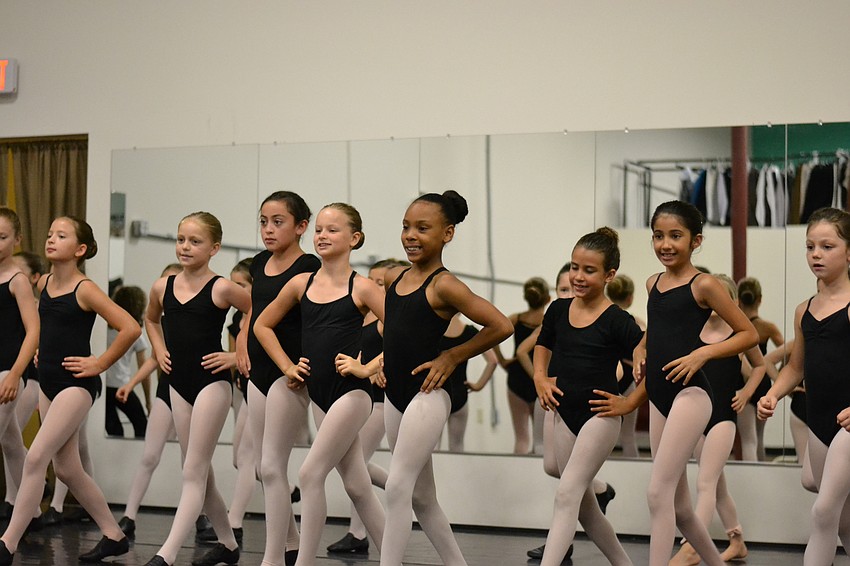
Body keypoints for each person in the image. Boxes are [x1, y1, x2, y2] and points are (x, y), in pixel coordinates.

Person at [592, 200, 757, 566]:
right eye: (658, 236)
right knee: (681, 507)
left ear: (696, 241)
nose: (665, 244)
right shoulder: (653, 283)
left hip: (692, 394)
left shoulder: (705, 285)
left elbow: (748, 334)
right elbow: (659, 334)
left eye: (675, 236)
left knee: (657, 492)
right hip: (659, 395)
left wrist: (703, 354)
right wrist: (639, 348)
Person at [379, 190, 513, 566]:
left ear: (447, 234)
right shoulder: (394, 279)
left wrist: (453, 356)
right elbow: (396, 334)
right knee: (422, 498)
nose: (410, 235)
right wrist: (377, 363)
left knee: (397, 485)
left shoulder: (444, 285)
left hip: (428, 394)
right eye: (406, 227)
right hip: (396, 394)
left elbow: (500, 325)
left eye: (423, 228)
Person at [0, 215, 141, 565]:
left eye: (61, 236)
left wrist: (100, 363)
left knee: (35, 458)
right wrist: (38, 349)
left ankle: (7, 544)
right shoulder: (45, 281)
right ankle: (114, 534)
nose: (50, 240)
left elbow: (129, 327)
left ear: (79, 249)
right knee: (67, 469)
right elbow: (43, 326)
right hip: (48, 382)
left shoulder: (85, 289)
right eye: (49, 234)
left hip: (75, 386)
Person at [255, 202, 388, 566]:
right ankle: (395, 559)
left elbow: (403, 334)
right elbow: (261, 326)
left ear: (354, 238)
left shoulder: (361, 287)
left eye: (332, 230)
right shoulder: (301, 283)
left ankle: (303, 562)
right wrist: (287, 366)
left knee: (309, 473)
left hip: (352, 394)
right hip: (318, 392)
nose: (322, 236)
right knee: (358, 486)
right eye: (319, 230)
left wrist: (368, 368)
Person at [142, 212, 250, 566]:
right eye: (181, 239)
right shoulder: (163, 286)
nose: (185, 247)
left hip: (211, 384)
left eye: (195, 241)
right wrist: (158, 349)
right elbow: (150, 319)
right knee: (202, 473)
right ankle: (228, 544)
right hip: (178, 383)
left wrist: (237, 354)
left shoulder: (220, 287)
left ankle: (166, 554)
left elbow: (257, 311)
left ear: (214, 248)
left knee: (192, 470)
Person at [534, 227, 643, 566]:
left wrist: (630, 402)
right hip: (565, 412)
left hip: (601, 415)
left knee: (567, 493)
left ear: (610, 275)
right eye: (574, 267)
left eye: (589, 270)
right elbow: (542, 345)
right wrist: (540, 377)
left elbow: (653, 361)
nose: (578, 277)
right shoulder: (557, 309)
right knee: (585, 508)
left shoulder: (618, 321)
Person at [757, 207, 850, 566]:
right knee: (843, 523)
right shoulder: (804, 310)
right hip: (819, 420)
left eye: (827, 246)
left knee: (823, 511)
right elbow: (796, 368)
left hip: (847, 422)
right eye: (810, 246)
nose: (816, 254)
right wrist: (772, 393)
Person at [235, 191, 320, 566]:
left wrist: (293, 366)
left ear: (302, 226)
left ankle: (271, 558)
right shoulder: (257, 262)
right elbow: (254, 311)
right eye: (263, 221)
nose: (268, 229)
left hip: (289, 372)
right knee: (260, 466)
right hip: (258, 368)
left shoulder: (309, 265)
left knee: (271, 466)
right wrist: (240, 342)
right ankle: (290, 544)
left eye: (278, 222)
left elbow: (316, 319)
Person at [668, 274, 766, 565]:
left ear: (731, 303)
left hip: (723, 417)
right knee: (718, 484)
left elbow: (760, 366)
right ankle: (737, 541)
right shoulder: (693, 332)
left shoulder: (739, 334)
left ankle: (691, 547)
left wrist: (746, 393)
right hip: (698, 418)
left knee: (706, 482)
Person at [326, 258, 403, 555]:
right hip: (354, 395)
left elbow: (397, 348)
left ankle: (358, 532)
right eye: (371, 280)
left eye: (381, 282)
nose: (374, 285)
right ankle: (400, 487)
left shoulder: (386, 319)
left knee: (357, 462)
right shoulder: (358, 314)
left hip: (379, 400)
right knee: (353, 462)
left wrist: (375, 367)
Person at [116, 263, 181, 537]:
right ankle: (129, 516)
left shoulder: (193, 316)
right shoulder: (160, 321)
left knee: (194, 463)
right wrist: (130, 383)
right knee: (149, 455)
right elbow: (155, 358)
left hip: (193, 395)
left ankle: (202, 517)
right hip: (166, 392)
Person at [0, 209, 38, 528]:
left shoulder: (18, 280)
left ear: (17, 240)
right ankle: (34, 510)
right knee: (11, 443)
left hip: (8, 371)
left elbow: (33, 331)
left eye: (2, 237)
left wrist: (15, 373)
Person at [495, 277, 550, 454]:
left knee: (521, 437)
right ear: (548, 299)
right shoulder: (548, 322)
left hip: (517, 378)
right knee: (540, 439)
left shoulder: (516, 319)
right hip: (540, 378)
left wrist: (502, 360)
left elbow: (491, 333)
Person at [736, 276, 783, 461]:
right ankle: (763, 478)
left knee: (748, 440)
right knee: (759, 438)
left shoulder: (737, 327)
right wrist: (779, 374)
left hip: (743, 383)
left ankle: (751, 481)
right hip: (762, 382)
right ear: (760, 299)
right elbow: (789, 352)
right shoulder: (767, 327)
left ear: (738, 299)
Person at [439, 313, 498, 453]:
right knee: (457, 446)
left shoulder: (434, 328)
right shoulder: (469, 331)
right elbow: (493, 361)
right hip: (460, 393)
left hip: (437, 392)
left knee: (433, 447)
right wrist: (478, 385)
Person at [606, 274, 646, 458]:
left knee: (602, 433)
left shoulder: (601, 318)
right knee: (628, 436)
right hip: (629, 380)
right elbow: (645, 352)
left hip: (607, 377)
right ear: (630, 298)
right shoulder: (636, 323)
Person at [104, 285, 151, 438]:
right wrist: (148, 401)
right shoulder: (135, 334)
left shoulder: (104, 330)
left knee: (115, 431)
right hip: (122, 387)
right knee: (142, 427)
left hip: (105, 389)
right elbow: (145, 370)